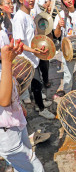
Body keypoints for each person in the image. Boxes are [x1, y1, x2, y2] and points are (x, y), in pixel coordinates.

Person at [0, 39, 44, 172]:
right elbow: (3, 100)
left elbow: (8, 84)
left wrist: (18, 105)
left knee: (26, 163)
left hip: (15, 122)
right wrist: (7, 61)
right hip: (7, 133)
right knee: (36, 168)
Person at [12, 0, 55, 119]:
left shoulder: (28, 15)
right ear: (20, 0)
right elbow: (18, 43)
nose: (31, 0)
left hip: (34, 55)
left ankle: (39, 102)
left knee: (39, 82)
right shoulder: (19, 17)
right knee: (36, 84)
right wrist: (34, 50)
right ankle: (41, 108)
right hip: (27, 59)